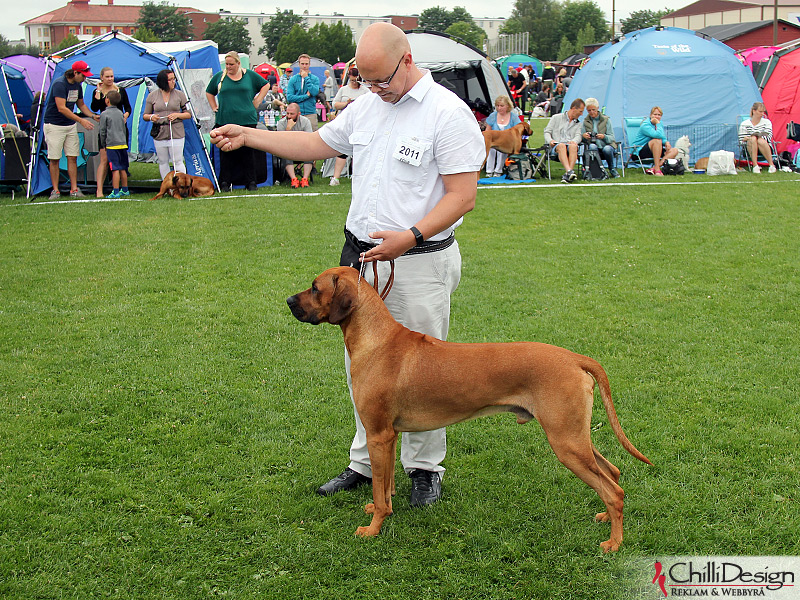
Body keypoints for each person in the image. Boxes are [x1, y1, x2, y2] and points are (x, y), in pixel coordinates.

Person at [210, 22, 485, 507]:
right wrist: (250, 134)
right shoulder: (366, 106)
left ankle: (424, 469)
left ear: (406, 60)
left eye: (381, 80)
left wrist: (411, 236)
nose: (374, 90)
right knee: (364, 366)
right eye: (366, 80)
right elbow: (316, 145)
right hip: (359, 261)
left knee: (424, 370)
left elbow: (462, 197)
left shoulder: (448, 113)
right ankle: (365, 461)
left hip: (418, 260)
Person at [206, 51, 271, 191]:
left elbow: (265, 85)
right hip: (225, 120)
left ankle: (251, 182)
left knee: (247, 153)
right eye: (227, 64)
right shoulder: (220, 77)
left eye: (231, 64)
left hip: (247, 120)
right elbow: (209, 91)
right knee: (226, 152)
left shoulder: (249, 75)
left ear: (238, 63)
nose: (228, 67)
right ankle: (225, 182)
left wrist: (258, 100)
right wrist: (214, 107)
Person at [43, 60, 99, 200]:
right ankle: (55, 190)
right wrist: (81, 120)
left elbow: (81, 105)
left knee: (73, 156)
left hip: (70, 126)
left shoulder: (78, 86)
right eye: (83, 75)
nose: (85, 78)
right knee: (54, 158)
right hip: (54, 125)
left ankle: (74, 189)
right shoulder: (59, 84)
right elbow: (61, 108)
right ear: (75, 73)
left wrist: (92, 115)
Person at [91, 67, 132, 197]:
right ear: (101, 77)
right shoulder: (98, 92)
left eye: (112, 76)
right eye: (107, 77)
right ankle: (99, 190)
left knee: (120, 162)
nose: (110, 79)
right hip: (106, 129)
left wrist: (125, 116)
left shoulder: (120, 90)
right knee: (104, 160)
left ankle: (121, 189)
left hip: (119, 130)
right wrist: (98, 92)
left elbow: (128, 108)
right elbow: (94, 107)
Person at [144, 69, 192, 180]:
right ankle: (167, 185)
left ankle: (182, 184)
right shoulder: (152, 96)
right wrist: (152, 117)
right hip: (159, 133)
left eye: (173, 79)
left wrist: (177, 115)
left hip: (176, 132)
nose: (173, 81)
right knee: (163, 161)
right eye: (170, 80)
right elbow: (145, 115)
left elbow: (188, 114)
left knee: (177, 160)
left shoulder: (180, 95)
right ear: (163, 81)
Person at [329, 67, 369, 186]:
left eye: (357, 80)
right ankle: (335, 178)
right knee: (342, 150)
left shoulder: (365, 91)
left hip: (361, 123)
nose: (354, 83)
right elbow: (335, 104)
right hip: (346, 123)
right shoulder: (343, 90)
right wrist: (347, 104)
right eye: (352, 80)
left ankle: (358, 175)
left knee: (359, 150)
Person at [544, 97, 585, 183]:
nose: (581, 114)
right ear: (574, 109)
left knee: (573, 146)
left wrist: (574, 141)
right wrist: (550, 141)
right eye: (580, 111)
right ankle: (570, 172)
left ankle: (568, 173)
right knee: (561, 145)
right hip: (556, 146)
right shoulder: (556, 118)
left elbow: (578, 136)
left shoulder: (578, 124)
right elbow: (547, 132)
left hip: (569, 146)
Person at [98, 90, 130, 199]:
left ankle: (115, 191)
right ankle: (125, 189)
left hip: (112, 145)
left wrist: (103, 144)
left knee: (115, 168)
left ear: (107, 100)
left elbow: (102, 131)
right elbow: (123, 129)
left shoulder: (104, 114)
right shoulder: (121, 113)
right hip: (122, 143)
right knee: (123, 168)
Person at [632, 106, 679, 176]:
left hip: (655, 150)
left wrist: (666, 142)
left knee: (675, 150)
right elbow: (657, 135)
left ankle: (655, 167)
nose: (657, 116)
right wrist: (658, 124)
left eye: (659, 115)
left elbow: (662, 137)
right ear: (651, 115)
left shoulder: (659, 124)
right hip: (639, 152)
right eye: (655, 114)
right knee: (657, 141)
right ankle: (657, 170)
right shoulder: (645, 125)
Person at [276, 103, 314, 188]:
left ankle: (305, 179)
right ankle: (294, 179)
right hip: (288, 150)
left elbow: (309, 139)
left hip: (302, 149)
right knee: (285, 153)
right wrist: (288, 129)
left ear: (298, 114)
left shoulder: (305, 121)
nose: (289, 116)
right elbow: (280, 141)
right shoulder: (282, 123)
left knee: (310, 152)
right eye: (287, 113)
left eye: (292, 114)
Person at [581, 98, 619, 178]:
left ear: (598, 108)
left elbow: (612, 137)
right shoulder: (585, 121)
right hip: (594, 146)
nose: (591, 112)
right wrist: (584, 136)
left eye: (593, 110)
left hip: (607, 145)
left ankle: (612, 169)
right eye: (589, 110)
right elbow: (582, 138)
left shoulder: (606, 120)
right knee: (592, 146)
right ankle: (595, 170)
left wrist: (604, 136)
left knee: (607, 149)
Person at [484, 95, 518, 177]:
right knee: (491, 149)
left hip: (507, 141)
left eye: (502, 106)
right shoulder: (493, 116)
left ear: (507, 106)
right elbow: (487, 131)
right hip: (493, 140)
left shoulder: (513, 117)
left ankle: (498, 170)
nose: (499, 108)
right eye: (498, 106)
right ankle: (489, 170)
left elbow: (517, 132)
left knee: (502, 150)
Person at [739, 102, 777, 174]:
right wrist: (752, 138)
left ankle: (771, 165)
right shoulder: (745, 124)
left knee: (759, 140)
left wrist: (755, 137)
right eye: (760, 111)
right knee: (752, 139)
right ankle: (755, 165)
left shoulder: (767, 122)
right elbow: (741, 139)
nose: (762, 114)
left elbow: (768, 136)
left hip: (764, 146)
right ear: (754, 111)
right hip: (749, 147)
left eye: (763, 112)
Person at [286, 54, 321, 130]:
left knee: (312, 138)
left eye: (306, 64)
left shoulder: (314, 79)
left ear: (309, 64)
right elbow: (289, 97)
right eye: (302, 64)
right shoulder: (293, 79)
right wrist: (306, 96)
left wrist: (306, 78)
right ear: (299, 64)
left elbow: (314, 92)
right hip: (296, 114)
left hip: (310, 113)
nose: (304, 66)